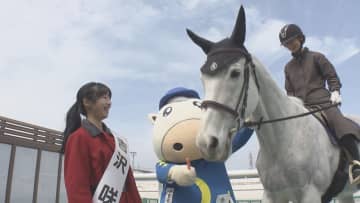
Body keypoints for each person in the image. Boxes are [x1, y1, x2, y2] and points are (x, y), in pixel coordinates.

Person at [279, 24, 360, 182]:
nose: (290, 45)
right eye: (286, 43)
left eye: (291, 41)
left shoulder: (317, 57)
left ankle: (356, 164)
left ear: (300, 39)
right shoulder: (288, 68)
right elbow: (289, 91)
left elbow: (332, 76)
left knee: (340, 124)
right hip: (301, 107)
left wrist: (335, 91)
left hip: (323, 102)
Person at [150, 87, 253, 203]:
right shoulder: (167, 163)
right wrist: (174, 172)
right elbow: (162, 172)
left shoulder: (214, 151)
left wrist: (248, 123)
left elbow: (236, 140)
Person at [61, 82, 141, 203]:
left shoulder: (117, 141)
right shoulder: (79, 138)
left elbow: (129, 182)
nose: (109, 103)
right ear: (87, 102)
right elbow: (77, 187)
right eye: (104, 97)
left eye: (109, 98)